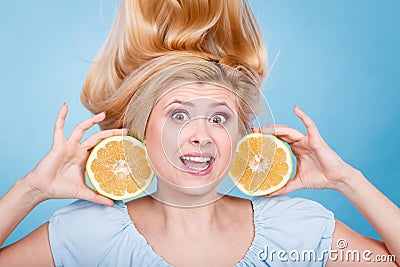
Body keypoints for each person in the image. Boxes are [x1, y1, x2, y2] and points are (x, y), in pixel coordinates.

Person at [0, 0, 399, 266]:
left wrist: (346, 179)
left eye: (219, 118)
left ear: (241, 136)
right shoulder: (86, 233)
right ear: (140, 132)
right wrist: (31, 189)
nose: (201, 135)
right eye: (178, 116)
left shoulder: (296, 227)